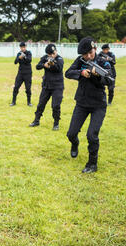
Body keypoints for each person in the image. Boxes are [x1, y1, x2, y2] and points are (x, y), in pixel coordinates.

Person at [65, 37, 114, 173]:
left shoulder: (103, 63)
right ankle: (75, 144)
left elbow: (109, 81)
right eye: (85, 54)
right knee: (71, 133)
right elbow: (68, 73)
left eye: (90, 53)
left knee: (92, 135)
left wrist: (96, 76)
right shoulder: (81, 61)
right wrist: (81, 73)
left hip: (98, 104)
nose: (88, 56)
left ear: (95, 49)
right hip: (82, 102)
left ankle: (92, 164)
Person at [29, 44, 64, 131]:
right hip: (47, 85)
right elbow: (37, 66)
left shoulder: (59, 59)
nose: (51, 55)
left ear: (55, 51)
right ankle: (36, 120)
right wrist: (44, 65)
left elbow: (59, 68)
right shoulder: (45, 57)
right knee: (41, 103)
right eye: (49, 54)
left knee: (55, 105)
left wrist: (52, 65)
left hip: (57, 86)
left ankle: (56, 123)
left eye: (52, 53)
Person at [10, 42, 33, 107]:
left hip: (28, 73)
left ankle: (29, 102)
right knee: (16, 87)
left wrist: (24, 57)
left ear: (26, 47)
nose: (23, 48)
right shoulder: (19, 53)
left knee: (28, 88)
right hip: (20, 73)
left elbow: (29, 60)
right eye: (21, 47)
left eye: (24, 47)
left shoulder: (29, 53)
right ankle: (13, 102)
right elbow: (15, 62)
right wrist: (19, 58)